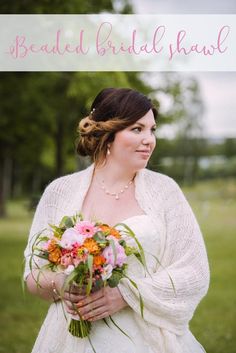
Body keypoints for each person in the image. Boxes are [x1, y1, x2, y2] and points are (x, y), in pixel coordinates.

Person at [24, 87, 210, 353]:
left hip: (145, 340)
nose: (149, 140)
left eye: (152, 130)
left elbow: (195, 271)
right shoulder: (60, 192)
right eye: (137, 129)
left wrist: (126, 294)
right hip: (70, 339)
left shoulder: (165, 191)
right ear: (107, 136)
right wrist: (63, 284)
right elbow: (32, 274)